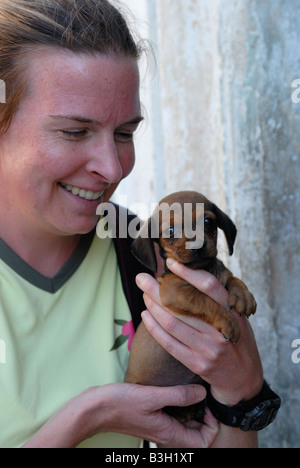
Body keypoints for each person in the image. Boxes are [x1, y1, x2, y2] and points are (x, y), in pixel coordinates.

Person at [0, 0, 266, 448]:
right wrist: (91, 416)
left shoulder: (143, 250)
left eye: (125, 133)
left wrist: (243, 393)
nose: (112, 167)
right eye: (73, 131)